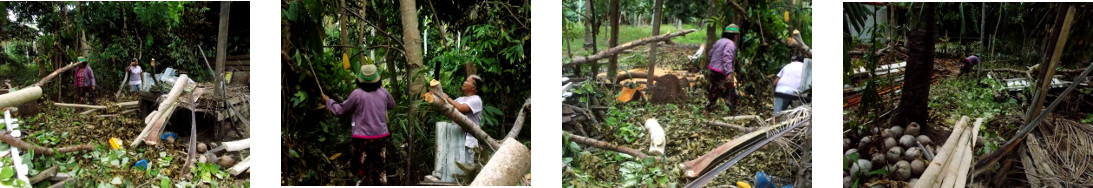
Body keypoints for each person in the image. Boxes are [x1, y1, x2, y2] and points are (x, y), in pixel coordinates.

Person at [321, 64, 396, 186]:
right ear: (377, 79)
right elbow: (392, 105)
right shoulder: (383, 92)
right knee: (380, 171)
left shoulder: (357, 94)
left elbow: (340, 111)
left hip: (361, 140)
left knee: (357, 172)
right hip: (380, 137)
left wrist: (328, 102)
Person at [442, 75, 484, 166]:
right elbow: (448, 108)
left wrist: (447, 98)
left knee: (467, 168)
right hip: (456, 138)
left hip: (468, 141)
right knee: (455, 168)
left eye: (467, 81)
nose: (464, 82)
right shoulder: (460, 99)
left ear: (473, 87)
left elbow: (461, 109)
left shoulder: (476, 100)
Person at [705, 24, 740, 118]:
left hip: (713, 71)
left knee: (714, 91)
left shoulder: (719, 41)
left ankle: (706, 113)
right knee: (733, 94)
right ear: (734, 35)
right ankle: (733, 115)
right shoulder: (730, 44)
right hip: (721, 73)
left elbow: (710, 53)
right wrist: (729, 73)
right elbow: (727, 58)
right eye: (736, 35)